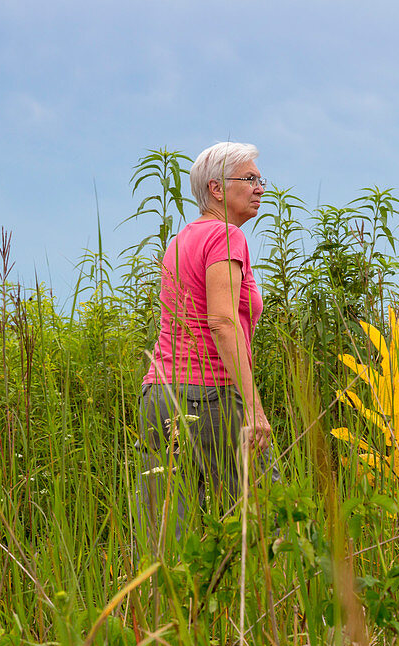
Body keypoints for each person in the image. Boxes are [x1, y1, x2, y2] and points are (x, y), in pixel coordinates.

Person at [136, 141, 272, 551]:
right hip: (210, 397)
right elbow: (223, 322)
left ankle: (168, 613)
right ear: (216, 188)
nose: (259, 187)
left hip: (159, 396)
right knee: (272, 521)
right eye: (249, 179)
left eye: (259, 179)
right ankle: (273, 611)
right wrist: (254, 406)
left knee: (168, 541)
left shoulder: (180, 241)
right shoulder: (226, 236)